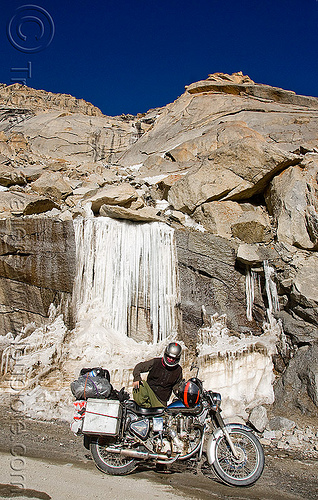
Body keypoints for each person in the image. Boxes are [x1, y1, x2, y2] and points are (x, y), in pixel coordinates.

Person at [132, 342, 183, 408]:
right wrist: (137, 378)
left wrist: (179, 392)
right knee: (141, 385)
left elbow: (176, 385)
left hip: (161, 401)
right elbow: (138, 367)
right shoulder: (155, 362)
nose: (170, 360)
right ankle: (147, 409)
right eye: (169, 357)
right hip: (149, 393)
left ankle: (153, 410)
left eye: (173, 359)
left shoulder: (178, 370)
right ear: (166, 354)